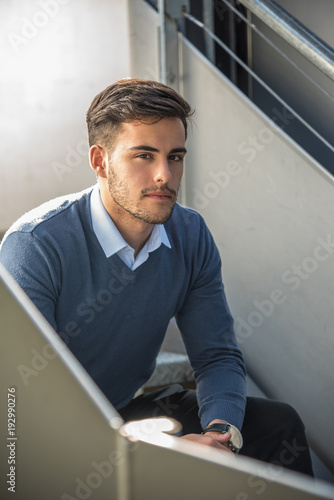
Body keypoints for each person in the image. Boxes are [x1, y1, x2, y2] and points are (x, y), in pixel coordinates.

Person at [0, 78, 313, 475]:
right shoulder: (36, 244)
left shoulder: (191, 234)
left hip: (124, 411)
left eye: (175, 156)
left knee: (277, 425)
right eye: (144, 156)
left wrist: (219, 437)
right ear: (100, 161)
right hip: (34, 433)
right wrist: (150, 454)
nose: (164, 175)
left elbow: (217, 356)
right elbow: (21, 395)